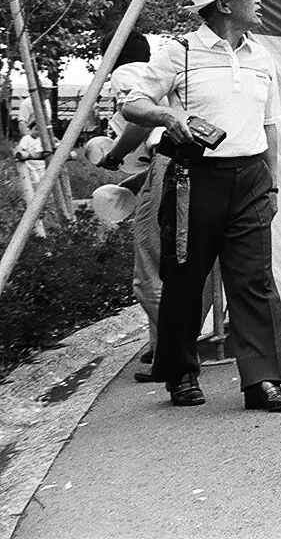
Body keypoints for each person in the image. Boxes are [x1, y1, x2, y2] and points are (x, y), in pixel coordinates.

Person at [120, 0, 281, 412]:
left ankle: (264, 381)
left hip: (251, 179)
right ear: (224, 4)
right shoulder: (178, 53)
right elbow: (132, 102)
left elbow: (270, 126)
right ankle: (180, 374)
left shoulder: (262, 57)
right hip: (192, 179)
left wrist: (273, 186)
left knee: (255, 281)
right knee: (185, 277)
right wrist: (167, 117)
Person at [92, 31, 168, 380]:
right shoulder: (158, 69)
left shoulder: (124, 76)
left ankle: (172, 345)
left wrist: (115, 155)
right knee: (176, 262)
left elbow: (142, 121)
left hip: (161, 171)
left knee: (148, 273)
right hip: (178, 168)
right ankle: (159, 342)